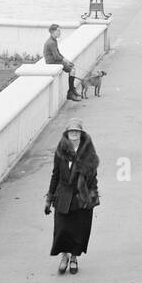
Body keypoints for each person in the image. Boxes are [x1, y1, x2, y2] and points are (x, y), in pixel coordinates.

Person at [44, 117, 100, 275]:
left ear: (81, 134)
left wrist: (91, 197)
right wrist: (49, 199)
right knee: (61, 229)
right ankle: (64, 257)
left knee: (78, 230)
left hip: (81, 198)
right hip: (63, 196)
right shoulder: (60, 151)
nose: (74, 134)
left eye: (77, 131)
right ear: (67, 134)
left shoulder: (88, 153)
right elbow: (55, 175)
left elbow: (93, 177)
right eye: (71, 131)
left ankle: (74, 258)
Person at [43, 23, 80, 101]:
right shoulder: (51, 42)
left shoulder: (53, 40)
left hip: (55, 61)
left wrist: (66, 60)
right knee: (72, 70)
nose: (60, 33)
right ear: (53, 31)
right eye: (58, 31)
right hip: (52, 62)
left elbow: (58, 53)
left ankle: (72, 89)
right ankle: (70, 92)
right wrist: (65, 61)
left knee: (72, 67)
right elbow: (56, 57)